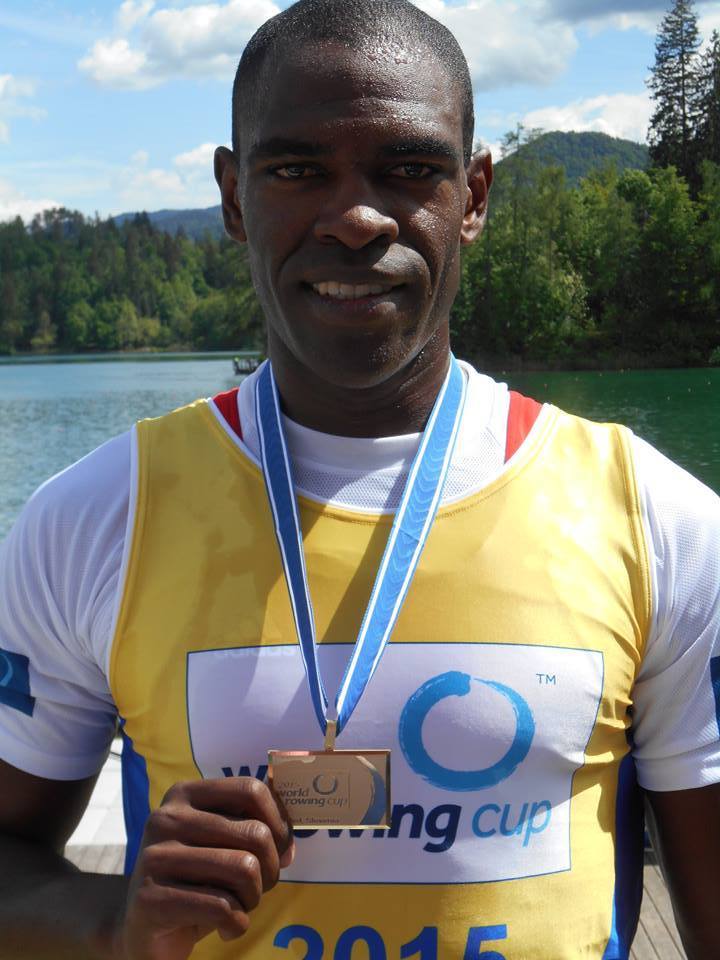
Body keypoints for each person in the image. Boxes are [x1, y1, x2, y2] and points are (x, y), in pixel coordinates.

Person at [0, 1, 719, 957]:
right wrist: (110, 922)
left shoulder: (654, 517)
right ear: (232, 197)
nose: (354, 218)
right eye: (298, 171)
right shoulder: (94, 517)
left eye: (409, 169)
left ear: (473, 197)